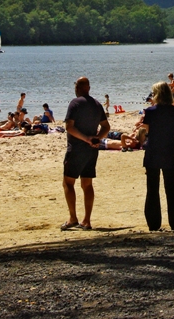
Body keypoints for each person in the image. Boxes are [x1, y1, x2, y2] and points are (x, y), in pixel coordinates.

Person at [62, 77, 109, 231]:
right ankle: (87, 220)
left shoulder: (75, 103)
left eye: (76, 85)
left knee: (68, 182)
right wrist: (96, 139)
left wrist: (86, 139)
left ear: (79, 88)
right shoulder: (96, 104)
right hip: (92, 150)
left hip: (76, 148)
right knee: (87, 184)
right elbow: (106, 127)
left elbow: (69, 127)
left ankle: (73, 217)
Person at [142, 81, 174, 231]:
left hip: (153, 150)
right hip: (169, 150)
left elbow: (146, 130)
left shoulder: (150, 111)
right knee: (170, 188)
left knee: (152, 189)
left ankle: (154, 223)